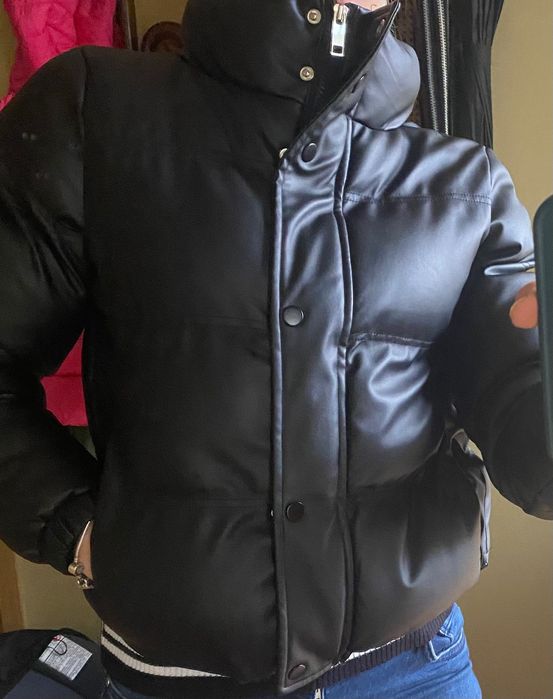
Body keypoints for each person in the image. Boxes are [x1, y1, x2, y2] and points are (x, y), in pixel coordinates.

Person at [0, 1, 549, 698]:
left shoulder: (466, 183)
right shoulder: (93, 114)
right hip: (175, 680)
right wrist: (75, 529)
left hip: (417, 667)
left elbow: (522, 426)